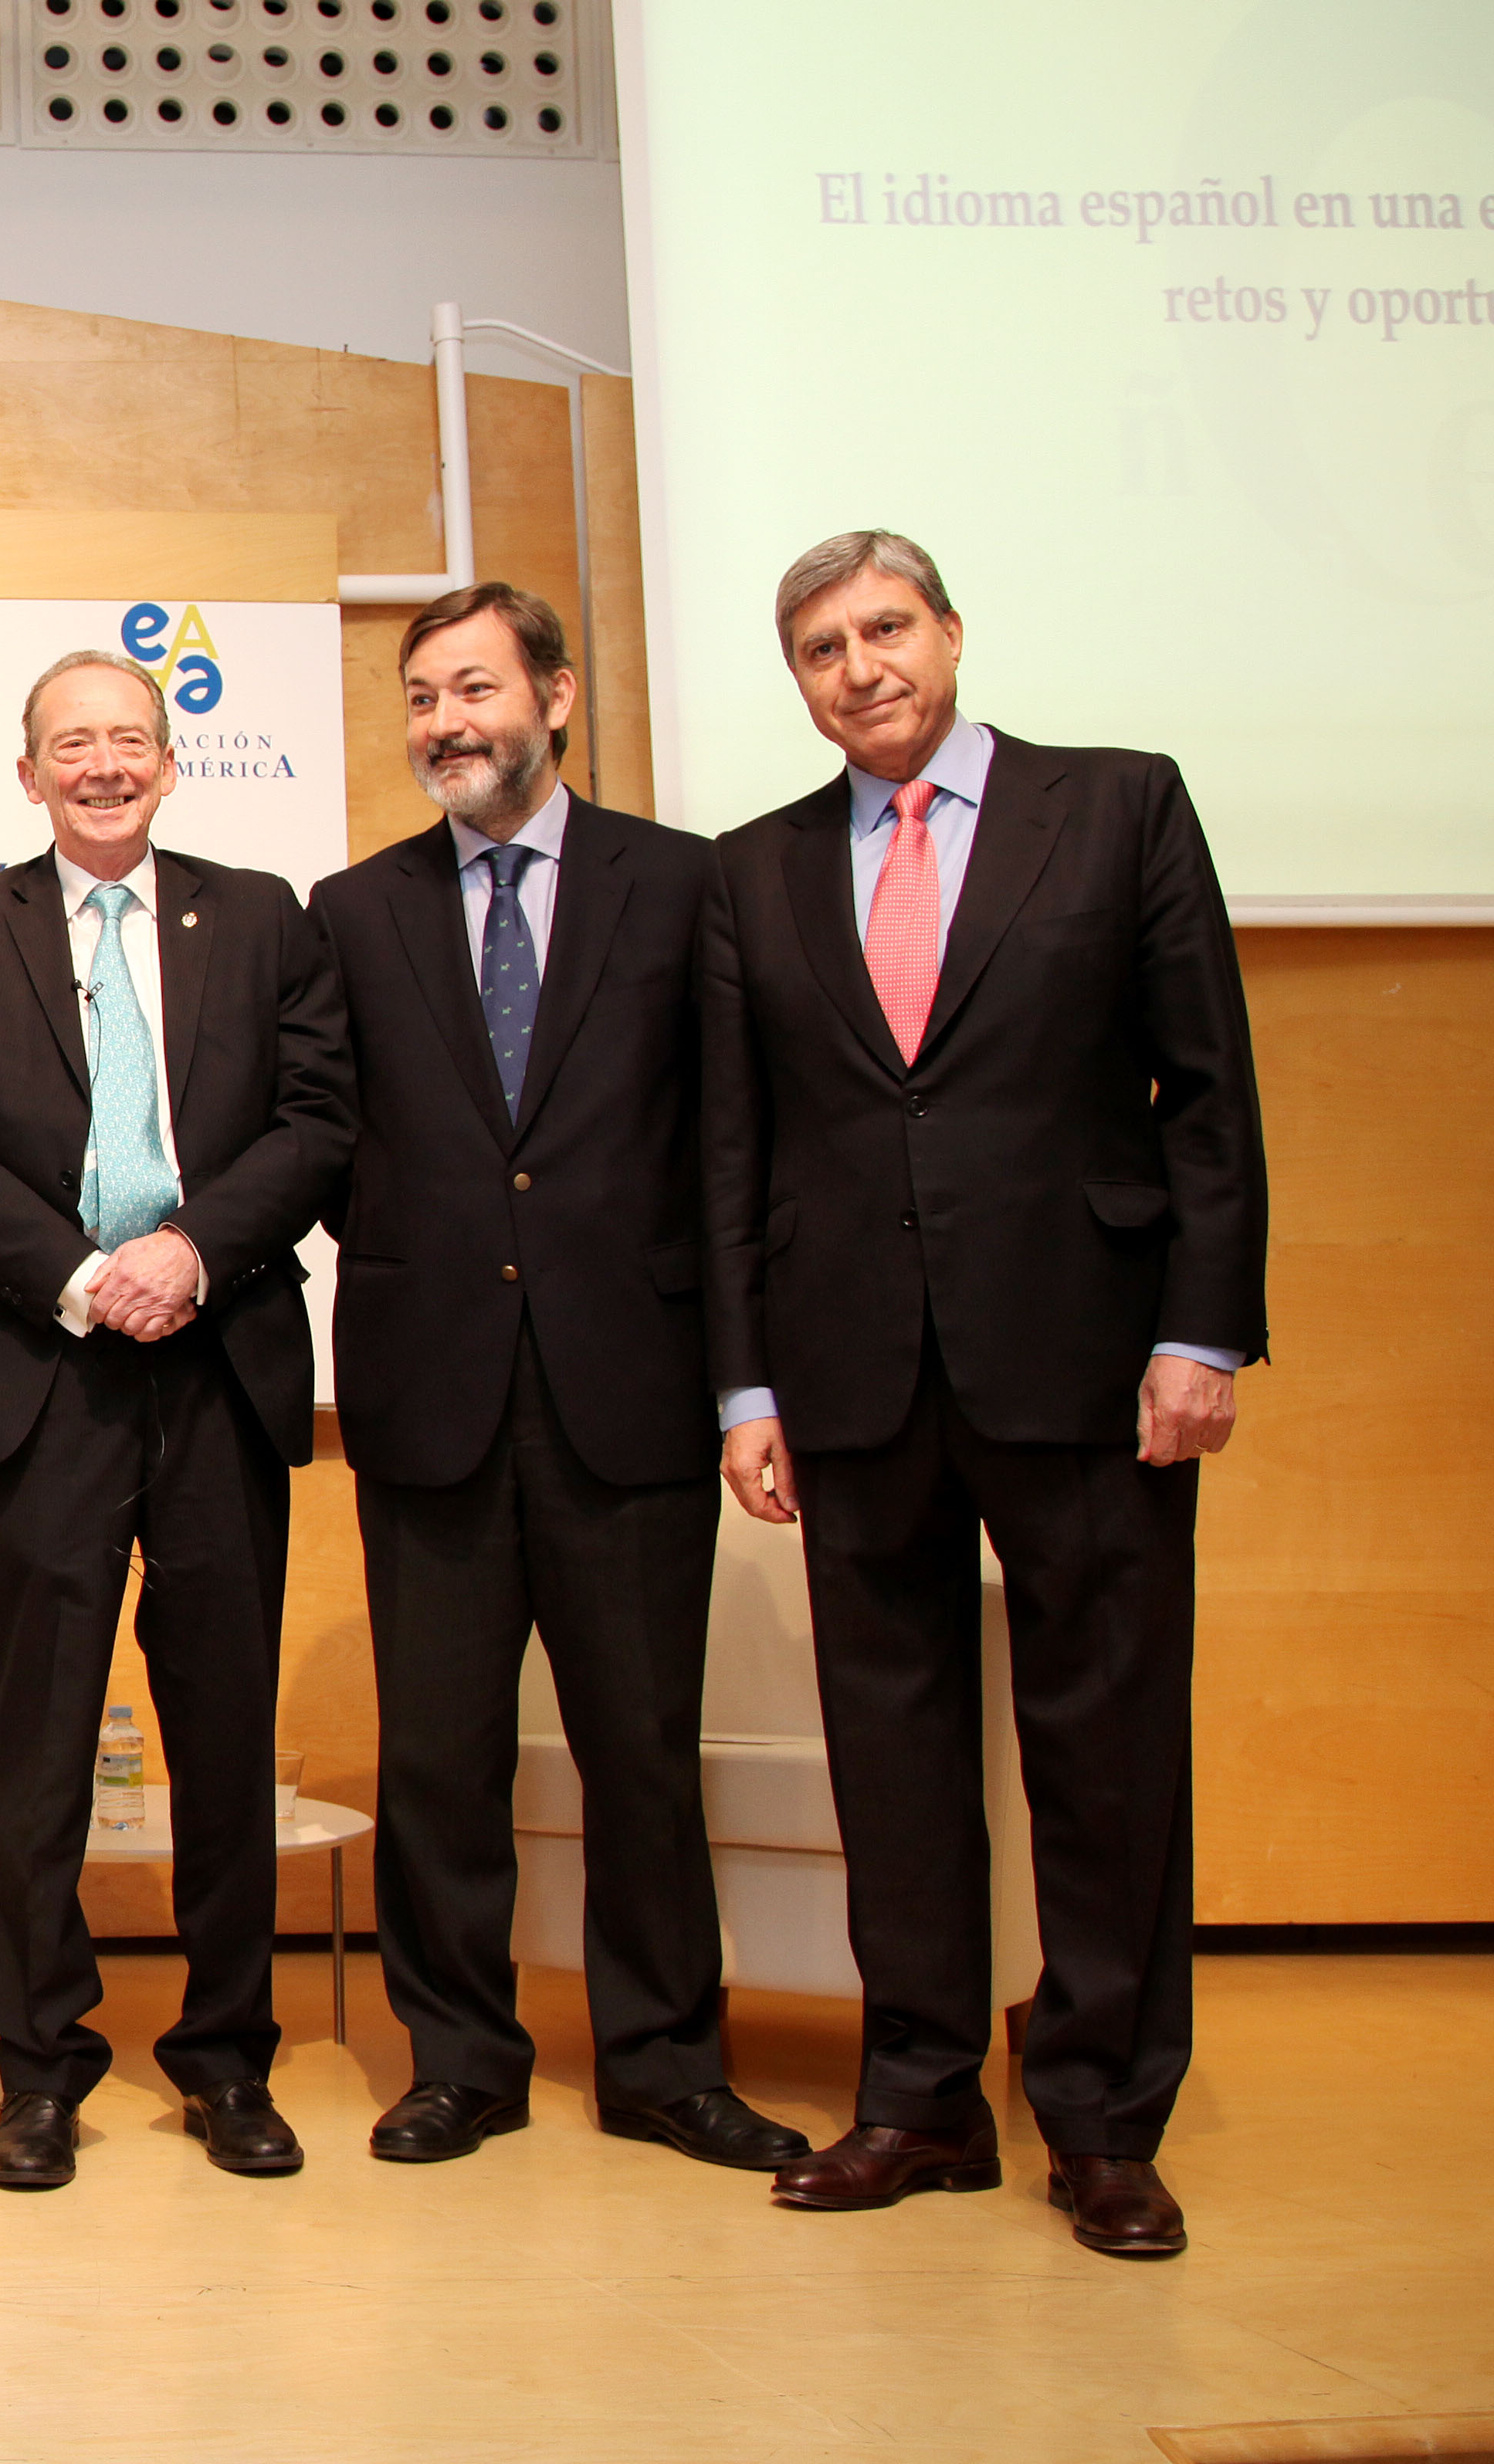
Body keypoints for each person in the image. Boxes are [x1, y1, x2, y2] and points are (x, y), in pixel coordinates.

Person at [704, 530, 1267, 2259]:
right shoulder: (755, 870)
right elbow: (736, 1150)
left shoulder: (1118, 807)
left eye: (886, 629)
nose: (860, 667)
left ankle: (1101, 2119)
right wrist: (745, 1384)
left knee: (1108, 1746)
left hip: (1089, 1357)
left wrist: (1202, 1335)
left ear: (949, 633)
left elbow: (1206, 1092)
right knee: (892, 1755)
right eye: (822, 648)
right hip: (853, 1369)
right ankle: (922, 2099)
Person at [309, 584, 808, 2174]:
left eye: (475, 688)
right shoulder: (354, 909)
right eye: (422, 698)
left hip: (632, 1387)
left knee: (641, 1753)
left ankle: (663, 2062)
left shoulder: (684, 883)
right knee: (438, 1759)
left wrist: (744, 1383)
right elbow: (332, 1142)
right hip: (433, 1391)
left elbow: (730, 1142)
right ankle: (460, 2060)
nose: (446, 722)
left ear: (557, 696)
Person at [0, 648, 352, 2191]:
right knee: (37, 1751)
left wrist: (192, 1252)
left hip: (222, 1366)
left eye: (129, 739)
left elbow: (317, 1122)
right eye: (71, 744)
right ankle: (39, 2069)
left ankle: (228, 2061)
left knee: (223, 1738)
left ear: (169, 760)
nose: (103, 765)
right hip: (46, 1370)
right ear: (28, 775)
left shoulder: (261, 916)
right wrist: (88, 1278)